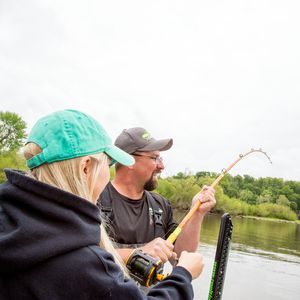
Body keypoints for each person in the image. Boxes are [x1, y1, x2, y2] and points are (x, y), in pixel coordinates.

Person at [0, 109, 204, 300]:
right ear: (86, 168)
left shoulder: (9, 217)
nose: (108, 173)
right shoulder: (85, 263)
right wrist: (182, 276)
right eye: (107, 164)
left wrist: (198, 213)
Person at [98, 127, 216, 265]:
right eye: (155, 158)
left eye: (160, 158)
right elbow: (83, 257)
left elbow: (181, 257)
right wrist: (139, 253)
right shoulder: (95, 198)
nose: (162, 166)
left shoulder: (160, 205)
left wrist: (197, 214)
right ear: (128, 160)